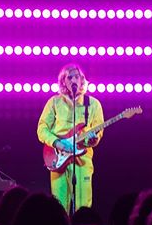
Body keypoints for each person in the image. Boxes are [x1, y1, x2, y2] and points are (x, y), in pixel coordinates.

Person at [37, 64, 104, 212]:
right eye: (70, 77)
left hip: (82, 159)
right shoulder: (54, 102)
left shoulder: (93, 104)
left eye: (77, 76)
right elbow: (42, 129)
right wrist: (56, 143)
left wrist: (93, 140)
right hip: (57, 157)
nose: (74, 79)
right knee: (59, 206)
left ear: (82, 80)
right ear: (63, 81)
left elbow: (98, 132)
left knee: (83, 206)